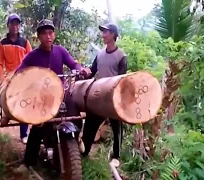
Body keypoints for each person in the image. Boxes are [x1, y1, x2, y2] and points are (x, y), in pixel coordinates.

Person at [14, 19, 91, 168]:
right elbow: (19, 71)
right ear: (39, 37)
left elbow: (73, 64)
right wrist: (28, 79)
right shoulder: (33, 55)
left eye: (50, 33)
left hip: (60, 94)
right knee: (38, 127)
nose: (48, 36)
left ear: (54, 35)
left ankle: (75, 140)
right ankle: (28, 163)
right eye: (44, 34)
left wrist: (81, 69)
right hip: (42, 97)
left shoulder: (60, 51)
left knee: (74, 112)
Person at [81, 23, 128, 163]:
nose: (103, 34)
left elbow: (122, 79)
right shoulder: (100, 54)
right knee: (90, 125)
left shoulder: (121, 56)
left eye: (106, 32)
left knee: (116, 127)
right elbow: (92, 71)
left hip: (113, 99)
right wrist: (83, 74)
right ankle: (84, 152)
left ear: (113, 34)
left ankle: (116, 157)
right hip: (98, 97)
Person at [0, 13, 32, 144]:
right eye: (12, 23)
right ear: (8, 25)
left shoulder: (25, 43)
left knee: (25, 99)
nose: (15, 26)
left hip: (21, 76)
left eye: (17, 23)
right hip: (7, 77)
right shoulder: (2, 43)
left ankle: (24, 134)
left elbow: (30, 61)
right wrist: (1, 78)